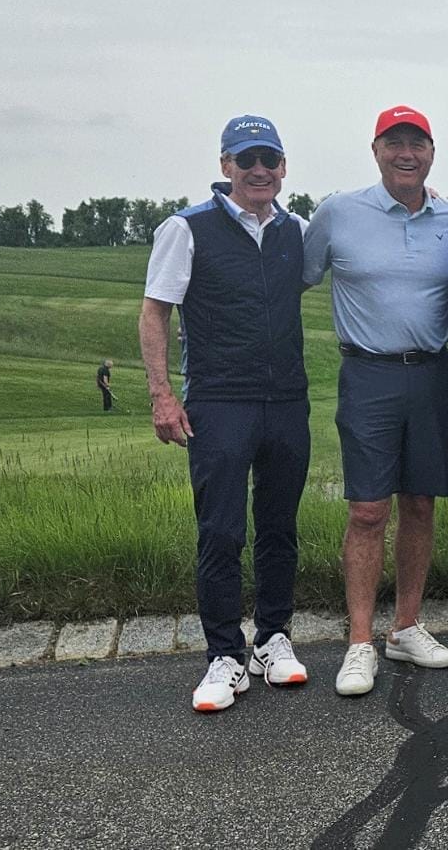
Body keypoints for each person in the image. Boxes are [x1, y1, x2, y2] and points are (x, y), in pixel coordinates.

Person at [139, 114, 311, 712]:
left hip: (287, 397)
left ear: (283, 168)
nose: (258, 170)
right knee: (220, 529)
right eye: (246, 160)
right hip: (219, 398)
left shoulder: (297, 230)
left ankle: (272, 639)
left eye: (269, 159)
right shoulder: (187, 228)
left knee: (279, 524)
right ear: (225, 166)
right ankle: (223, 655)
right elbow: (156, 311)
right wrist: (162, 393)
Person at [303, 105, 448, 696]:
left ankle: (406, 627)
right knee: (368, 510)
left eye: (417, 144)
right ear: (375, 150)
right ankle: (360, 641)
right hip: (367, 374)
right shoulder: (338, 213)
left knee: (420, 504)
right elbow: (294, 275)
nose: (407, 154)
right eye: (394, 143)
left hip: (431, 373)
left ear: (431, 152)